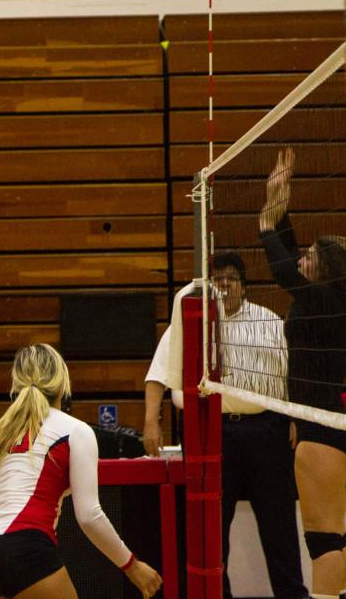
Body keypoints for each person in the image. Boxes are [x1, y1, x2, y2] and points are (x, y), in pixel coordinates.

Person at [144, 252, 307, 599]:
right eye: (217, 278)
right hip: (209, 431)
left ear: (244, 286)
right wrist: (150, 422)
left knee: (279, 523)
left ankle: (292, 593)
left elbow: (292, 375)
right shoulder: (190, 322)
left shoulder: (270, 321)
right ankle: (215, 594)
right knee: (210, 525)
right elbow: (158, 374)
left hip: (267, 430)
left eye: (231, 278)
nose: (224, 284)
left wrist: (295, 417)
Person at [0, 343, 162, 599]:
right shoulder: (75, 430)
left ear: (15, 384)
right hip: (21, 548)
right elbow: (89, 515)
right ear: (63, 382)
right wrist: (132, 566)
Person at [259, 148, 346, 599]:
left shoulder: (321, 301)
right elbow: (290, 258)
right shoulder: (328, 300)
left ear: (325, 269)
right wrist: (281, 204)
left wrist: (265, 223)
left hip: (324, 424)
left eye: (311, 256)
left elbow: (281, 265)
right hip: (329, 418)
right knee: (337, 535)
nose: (302, 259)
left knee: (325, 538)